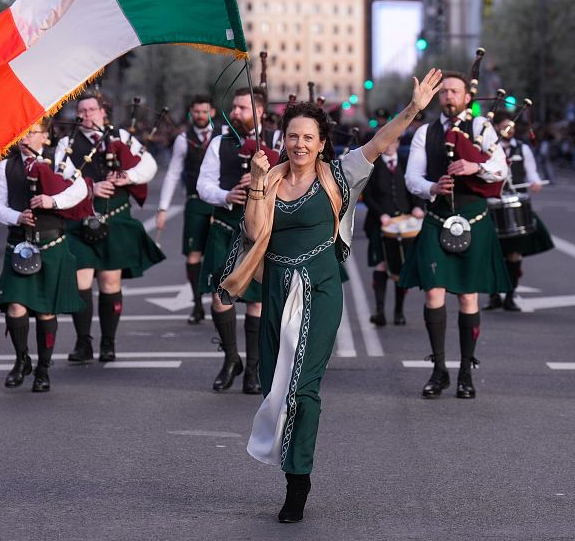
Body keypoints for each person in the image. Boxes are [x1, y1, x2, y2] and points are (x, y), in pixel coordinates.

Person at [218, 69, 443, 523]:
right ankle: (291, 463)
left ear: (323, 142)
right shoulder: (269, 177)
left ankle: (297, 480)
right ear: (282, 139)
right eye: (292, 136)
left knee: (304, 387)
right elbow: (253, 232)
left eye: (308, 137)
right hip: (277, 289)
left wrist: (414, 108)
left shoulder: (340, 174)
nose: (299, 144)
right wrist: (258, 182)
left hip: (320, 289)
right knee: (275, 386)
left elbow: (380, 141)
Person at [400, 72, 511, 400]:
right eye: (444, 91)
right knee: (433, 293)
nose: (448, 96)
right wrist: (432, 187)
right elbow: (412, 178)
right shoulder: (425, 132)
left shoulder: (482, 129)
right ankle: (439, 370)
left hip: (473, 218)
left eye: (454, 91)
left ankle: (465, 371)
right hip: (437, 217)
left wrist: (474, 167)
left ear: (467, 98)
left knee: (467, 296)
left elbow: (502, 170)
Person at [55, 93, 165, 363]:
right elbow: (61, 177)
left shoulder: (123, 137)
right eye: (82, 110)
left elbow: (148, 165)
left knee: (110, 280)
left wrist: (128, 176)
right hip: (81, 220)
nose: (87, 114)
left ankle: (108, 343)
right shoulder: (66, 143)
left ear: (103, 112)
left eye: (92, 109)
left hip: (115, 216)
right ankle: (83, 343)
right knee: (81, 280)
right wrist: (91, 188)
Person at [0, 123, 88, 391]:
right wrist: (16, 216)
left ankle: (43, 368)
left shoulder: (59, 160)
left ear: (45, 136)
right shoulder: (6, 166)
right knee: (15, 306)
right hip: (19, 244)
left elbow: (79, 191)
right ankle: (22, 359)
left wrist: (52, 202)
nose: (25, 138)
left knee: (45, 311)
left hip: (51, 242)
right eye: (21, 132)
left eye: (32, 132)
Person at [197, 86, 277, 395]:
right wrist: (226, 195)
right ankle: (231, 359)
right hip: (225, 224)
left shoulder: (277, 141)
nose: (235, 113)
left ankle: (253, 369)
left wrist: (263, 182)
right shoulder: (219, 142)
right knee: (220, 296)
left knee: (256, 301)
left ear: (260, 112)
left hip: (258, 231)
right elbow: (203, 184)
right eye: (234, 107)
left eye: (242, 108)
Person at [156, 94, 220, 324]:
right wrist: (162, 208)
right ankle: (196, 304)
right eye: (196, 112)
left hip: (219, 203)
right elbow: (173, 173)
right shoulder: (184, 139)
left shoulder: (223, 136)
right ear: (191, 113)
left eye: (204, 111)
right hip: (194, 201)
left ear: (212, 112)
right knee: (193, 254)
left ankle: (218, 303)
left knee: (218, 254)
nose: (200, 116)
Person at [484, 113, 554, 312]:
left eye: (512, 127)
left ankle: (510, 296)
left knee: (514, 254)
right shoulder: (488, 148)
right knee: (493, 254)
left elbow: (531, 171)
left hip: (517, 205)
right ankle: (494, 295)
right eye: (505, 126)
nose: (509, 130)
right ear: (496, 127)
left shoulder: (523, 148)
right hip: (493, 204)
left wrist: (535, 182)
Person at [362, 136, 425, 326]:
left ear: (398, 144)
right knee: (381, 265)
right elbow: (368, 196)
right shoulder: (374, 166)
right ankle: (380, 312)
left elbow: (416, 188)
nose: (389, 145)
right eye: (387, 142)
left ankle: (399, 312)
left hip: (404, 224)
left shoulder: (406, 164)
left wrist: (418, 207)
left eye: (393, 142)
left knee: (400, 267)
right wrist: (381, 214)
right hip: (380, 224)